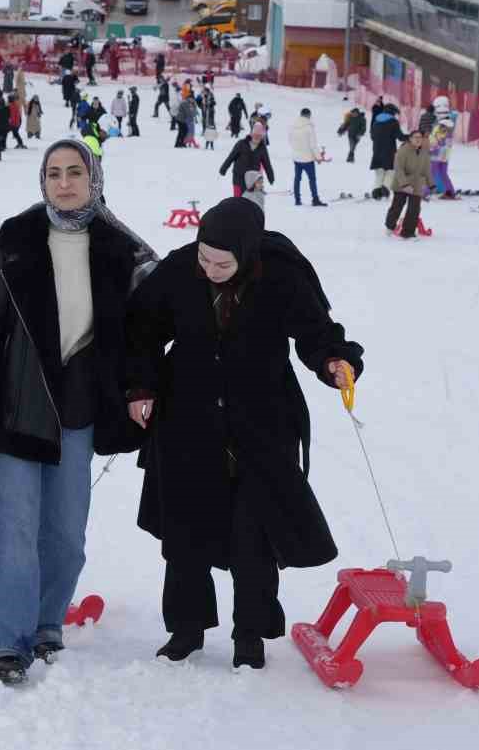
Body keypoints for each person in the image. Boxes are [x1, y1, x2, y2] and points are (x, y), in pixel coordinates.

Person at [124, 198, 364, 669]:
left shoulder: (282, 274)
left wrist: (335, 360)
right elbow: (142, 332)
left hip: (262, 421)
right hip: (187, 419)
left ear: (248, 253)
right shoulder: (178, 270)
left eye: (222, 262)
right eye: (204, 258)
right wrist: (141, 386)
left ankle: (250, 633)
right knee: (186, 529)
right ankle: (186, 629)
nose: (210, 269)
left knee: (253, 533)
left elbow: (316, 331)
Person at [0, 140, 158, 683]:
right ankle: (4, 641)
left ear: (93, 178)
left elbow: (149, 324)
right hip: (15, 413)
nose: (65, 182)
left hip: (78, 412)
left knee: (66, 535)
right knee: (15, 533)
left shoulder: (118, 248)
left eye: (75, 172)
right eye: (54, 173)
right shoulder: (17, 239)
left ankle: (46, 624)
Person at [387, 127, 430, 237]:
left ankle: (408, 232)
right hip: (402, 183)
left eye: (420, 137)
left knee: (414, 208)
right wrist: (404, 184)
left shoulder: (424, 151)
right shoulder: (403, 150)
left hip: (416, 184)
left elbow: (426, 169)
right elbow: (398, 168)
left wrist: (432, 184)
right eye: (415, 137)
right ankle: (390, 225)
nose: (418, 139)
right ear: (410, 139)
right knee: (397, 206)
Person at [219, 119, 274, 198]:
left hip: (252, 179)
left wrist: (270, 176)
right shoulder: (241, 143)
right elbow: (231, 157)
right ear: (251, 134)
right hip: (238, 177)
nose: (257, 137)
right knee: (237, 201)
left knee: (249, 201)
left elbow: (267, 163)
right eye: (255, 135)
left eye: (259, 136)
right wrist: (223, 168)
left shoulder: (262, 148)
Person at [288, 107, 325, 206]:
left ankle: (297, 200)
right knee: (312, 179)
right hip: (307, 159)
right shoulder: (309, 127)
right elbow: (313, 145)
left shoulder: (293, 126)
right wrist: (318, 157)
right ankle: (315, 199)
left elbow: (290, 140)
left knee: (297, 179)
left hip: (296, 158)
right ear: (308, 115)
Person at [369, 101, 402, 200]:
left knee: (379, 172)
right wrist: (411, 137)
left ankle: (376, 190)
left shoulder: (376, 121)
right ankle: (385, 188)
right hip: (389, 151)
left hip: (377, 151)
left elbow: (372, 136)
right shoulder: (393, 122)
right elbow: (399, 136)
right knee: (390, 171)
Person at [427, 96, 458, 198]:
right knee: (443, 173)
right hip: (445, 154)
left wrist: (430, 148)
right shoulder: (450, 123)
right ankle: (450, 192)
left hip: (436, 154)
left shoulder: (441, 125)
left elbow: (436, 140)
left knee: (431, 173)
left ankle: (424, 192)